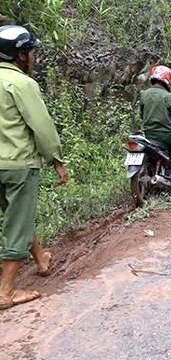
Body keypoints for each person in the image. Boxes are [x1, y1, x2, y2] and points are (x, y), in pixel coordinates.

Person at [0, 25, 68, 310]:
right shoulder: (22, 84)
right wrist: (56, 158)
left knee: (17, 214)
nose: (34, 56)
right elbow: (42, 127)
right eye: (32, 51)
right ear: (20, 54)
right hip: (18, 164)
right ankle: (5, 292)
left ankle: (41, 259)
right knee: (17, 221)